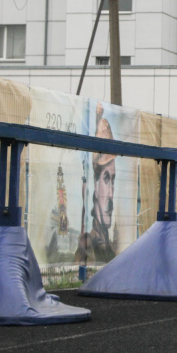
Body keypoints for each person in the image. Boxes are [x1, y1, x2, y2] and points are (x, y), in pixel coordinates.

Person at [75, 102, 117, 263]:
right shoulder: (86, 246)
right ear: (96, 183)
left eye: (113, 180)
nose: (111, 193)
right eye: (106, 179)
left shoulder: (111, 248)